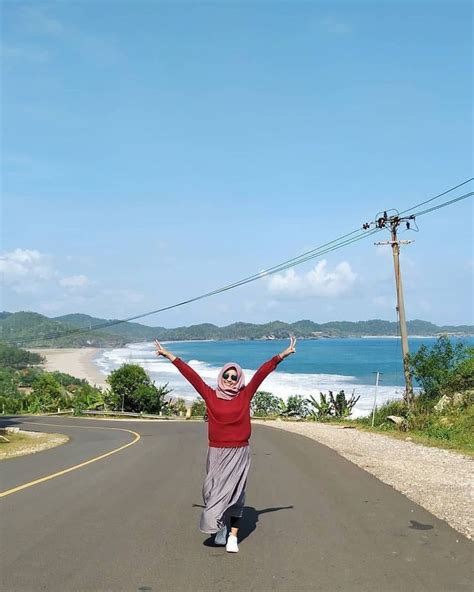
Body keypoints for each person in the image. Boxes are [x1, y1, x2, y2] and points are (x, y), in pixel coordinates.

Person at [154, 336, 296, 553]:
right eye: (227, 375)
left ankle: (232, 536)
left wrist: (281, 355)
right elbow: (192, 376)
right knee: (211, 492)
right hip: (216, 452)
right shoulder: (211, 396)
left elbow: (262, 373)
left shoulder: (245, 395)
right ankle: (219, 526)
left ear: (239, 379)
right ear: (222, 376)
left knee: (236, 494)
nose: (230, 379)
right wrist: (169, 356)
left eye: (234, 376)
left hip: (239, 452)